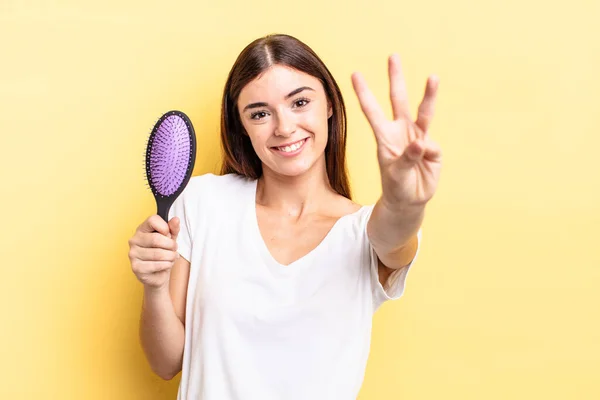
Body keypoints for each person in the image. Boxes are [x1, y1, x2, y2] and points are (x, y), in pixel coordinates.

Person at [128, 33, 441, 400]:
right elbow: (165, 363)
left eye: (300, 102)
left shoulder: (361, 232)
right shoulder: (202, 203)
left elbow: (393, 234)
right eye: (260, 113)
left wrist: (405, 202)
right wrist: (154, 286)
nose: (284, 127)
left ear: (328, 104)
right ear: (241, 126)